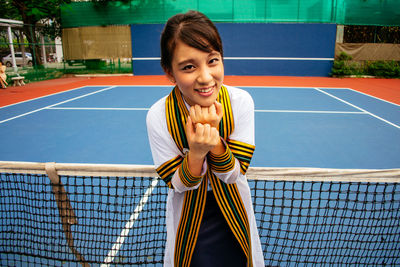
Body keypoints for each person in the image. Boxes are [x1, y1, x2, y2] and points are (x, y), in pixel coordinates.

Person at [146, 10, 264, 267]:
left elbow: (233, 174)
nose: (205, 77)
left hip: (234, 209)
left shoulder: (240, 102)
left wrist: (215, 142)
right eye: (189, 67)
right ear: (169, 72)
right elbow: (179, 185)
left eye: (212, 60)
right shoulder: (159, 116)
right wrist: (197, 152)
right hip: (189, 215)